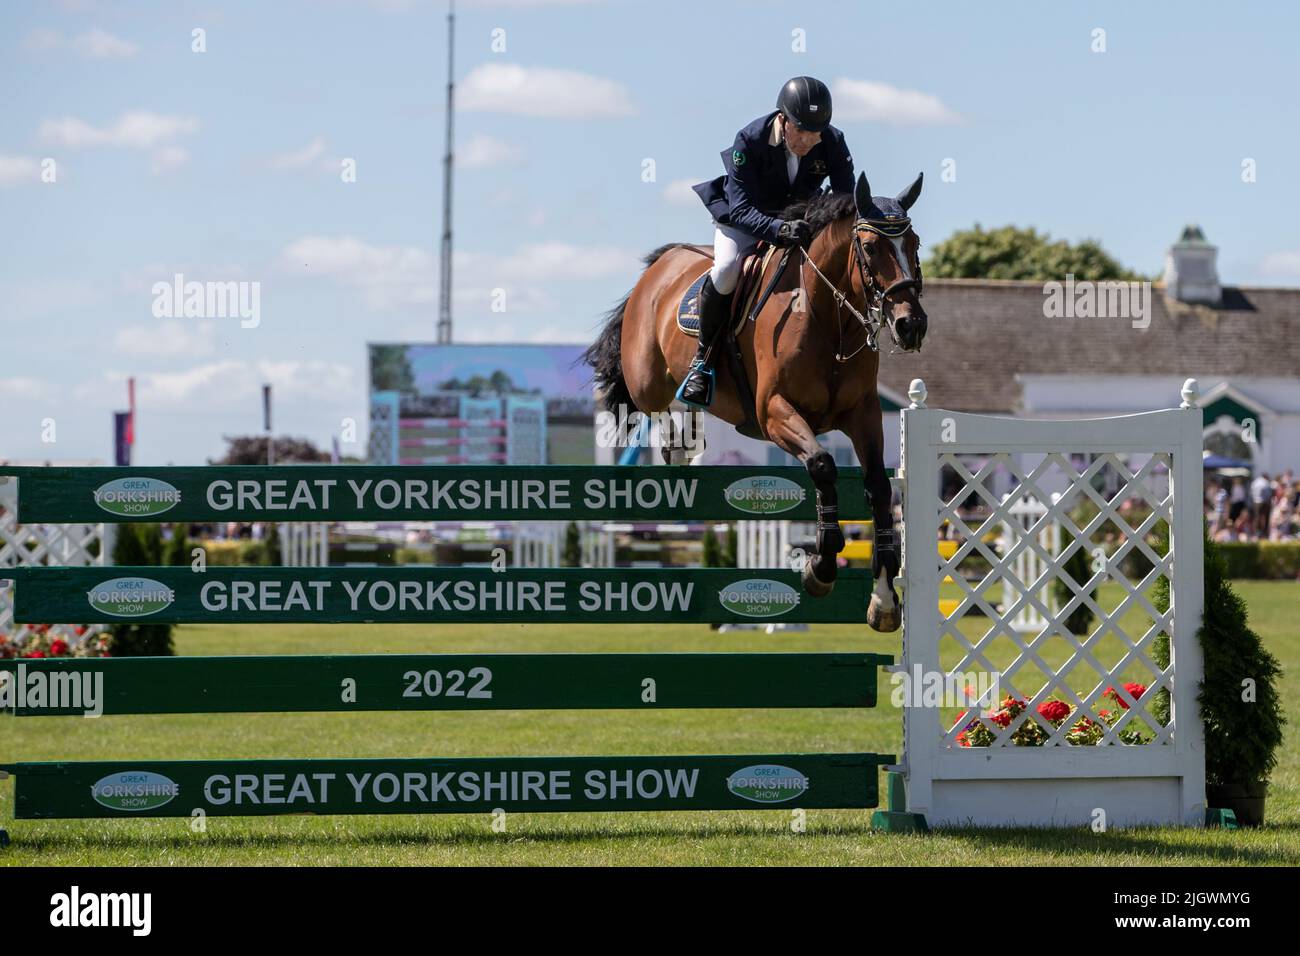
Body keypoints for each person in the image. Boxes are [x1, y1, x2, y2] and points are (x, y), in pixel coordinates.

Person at [679, 76, 856, 407]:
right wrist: (778, 230)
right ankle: (703, 362)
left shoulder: (832, 141)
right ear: (783, 120)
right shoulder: (749, 140)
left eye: (816, 134)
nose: (809, 141)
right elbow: (742, 209)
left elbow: (845, 201)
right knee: (728, 269)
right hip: (746, 219)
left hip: (802, 220)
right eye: (802, 132)